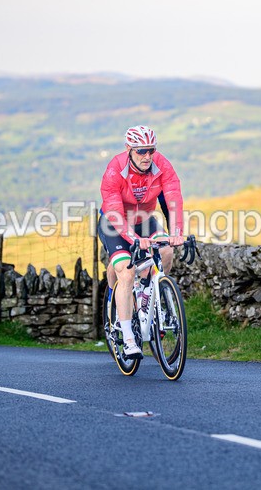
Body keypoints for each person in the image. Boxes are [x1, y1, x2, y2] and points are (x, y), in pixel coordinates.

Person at [98, 125, 185, 357]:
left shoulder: (162, 165)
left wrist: (176, 231)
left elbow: (172, 198)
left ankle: (156, 295)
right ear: (129, 149)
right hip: (114, 223)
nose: (147, 156)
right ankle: (127, 338)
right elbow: (114, 210)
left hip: (145, 220)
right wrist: (134, 239)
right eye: (141, 151)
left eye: (151, 150)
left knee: (166, 251)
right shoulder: (115, 170)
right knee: (126, 272)